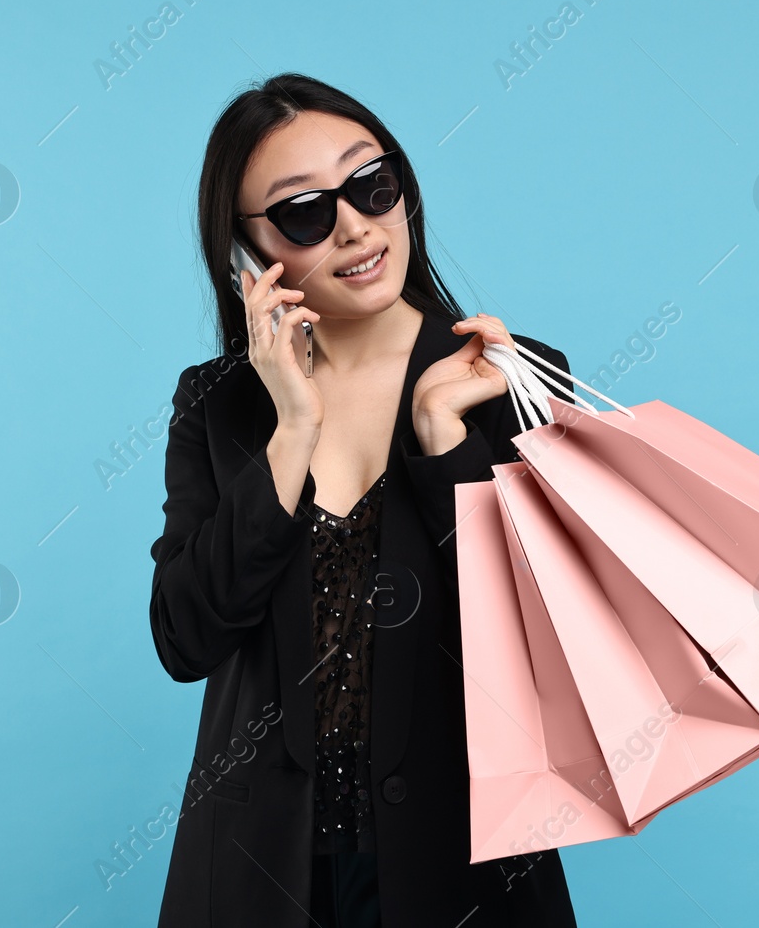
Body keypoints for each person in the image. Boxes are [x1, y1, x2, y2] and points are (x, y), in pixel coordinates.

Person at [148, 73, 578, 927]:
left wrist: (443, 446)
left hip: (464, 865)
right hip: (262, 873)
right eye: (305, 211)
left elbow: (541, 643)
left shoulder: (511, 379)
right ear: (247, 253)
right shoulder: (220, 404)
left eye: (371, 185)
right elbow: (184, 636)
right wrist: (291, 430)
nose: (355, 225)